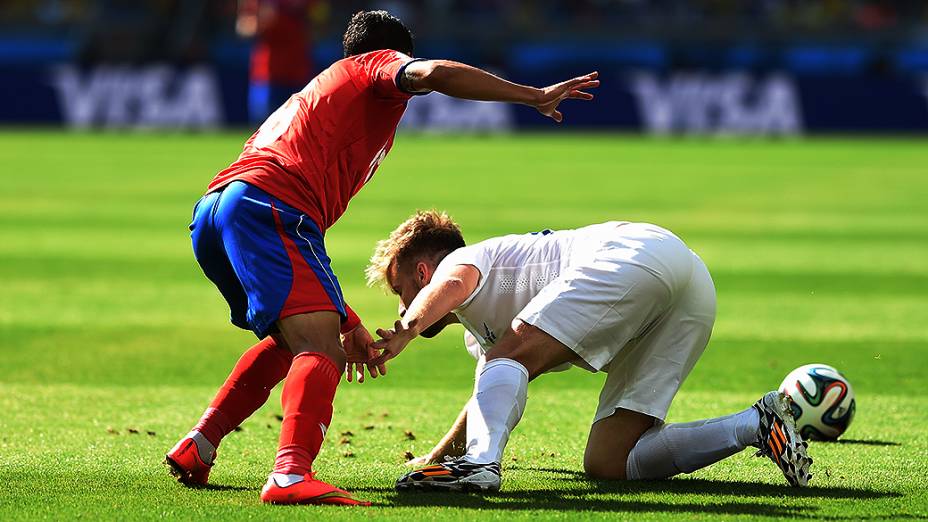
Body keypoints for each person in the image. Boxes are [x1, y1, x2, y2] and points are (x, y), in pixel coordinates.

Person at [163, 10, 600, 506]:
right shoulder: (375, 66)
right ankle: (290, 476)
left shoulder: (323, 92)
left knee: (293, 340)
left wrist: (345, 318)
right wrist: (532, 95)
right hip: (272, 207)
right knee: (319, 349)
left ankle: (199, 444)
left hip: (221, 210)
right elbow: (433, 74)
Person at [365, 211, 813, 492]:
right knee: (611, 462)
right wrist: (438, 457)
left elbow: (450, 286)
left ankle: (480, 468)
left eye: (401, 290)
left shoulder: (462, 265)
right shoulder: (482, 332)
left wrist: (406, 328)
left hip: (636, 254)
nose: (402, 304)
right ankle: (757, 423)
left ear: (422, 270)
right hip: (688, 285)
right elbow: (489, 395)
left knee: (509, 355)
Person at [236, 0, 313, 123]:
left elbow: (321, 25)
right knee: (264, 127)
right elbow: (242, 27)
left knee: (300, 126)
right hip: (268, 74)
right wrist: (263, 22)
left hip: (298, 70)